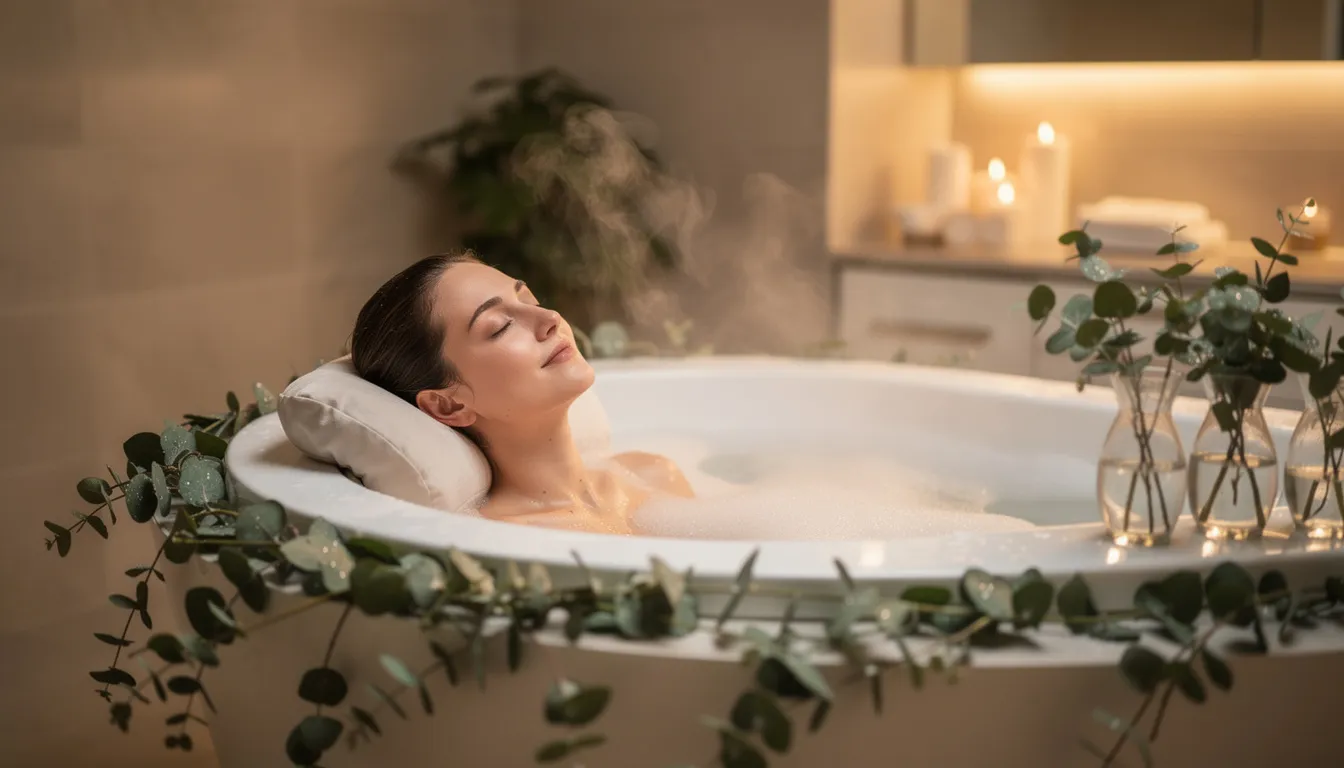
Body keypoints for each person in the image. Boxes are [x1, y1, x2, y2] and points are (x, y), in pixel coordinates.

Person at [350, 252, 693, 535]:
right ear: (448, 404)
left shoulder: (656, 474)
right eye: (500, 326)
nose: (550, 318)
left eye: (528, 298)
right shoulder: (513, 540)